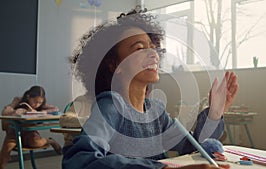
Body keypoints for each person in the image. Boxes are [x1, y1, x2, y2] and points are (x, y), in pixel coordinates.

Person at [62, 8, 238, 169]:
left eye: (153, 48)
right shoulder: (111, 106)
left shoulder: (156, 111)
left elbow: (193, 145)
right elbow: (79, 160)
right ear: (116, 65)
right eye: (139, 48)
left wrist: (214, 113)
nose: (153, 53)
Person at [0, 86, 62, 169]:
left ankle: (50, 141)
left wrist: (40, 112)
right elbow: (5, 112)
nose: (37, 104)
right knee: (5, 153)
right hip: (14, 133)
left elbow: (55, 109)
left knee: (36, 143)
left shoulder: (40, 105)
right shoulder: (18, 100)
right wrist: (16, 111)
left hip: (30, 132)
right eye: (35, 101)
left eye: (40, 103)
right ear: (28, 96)